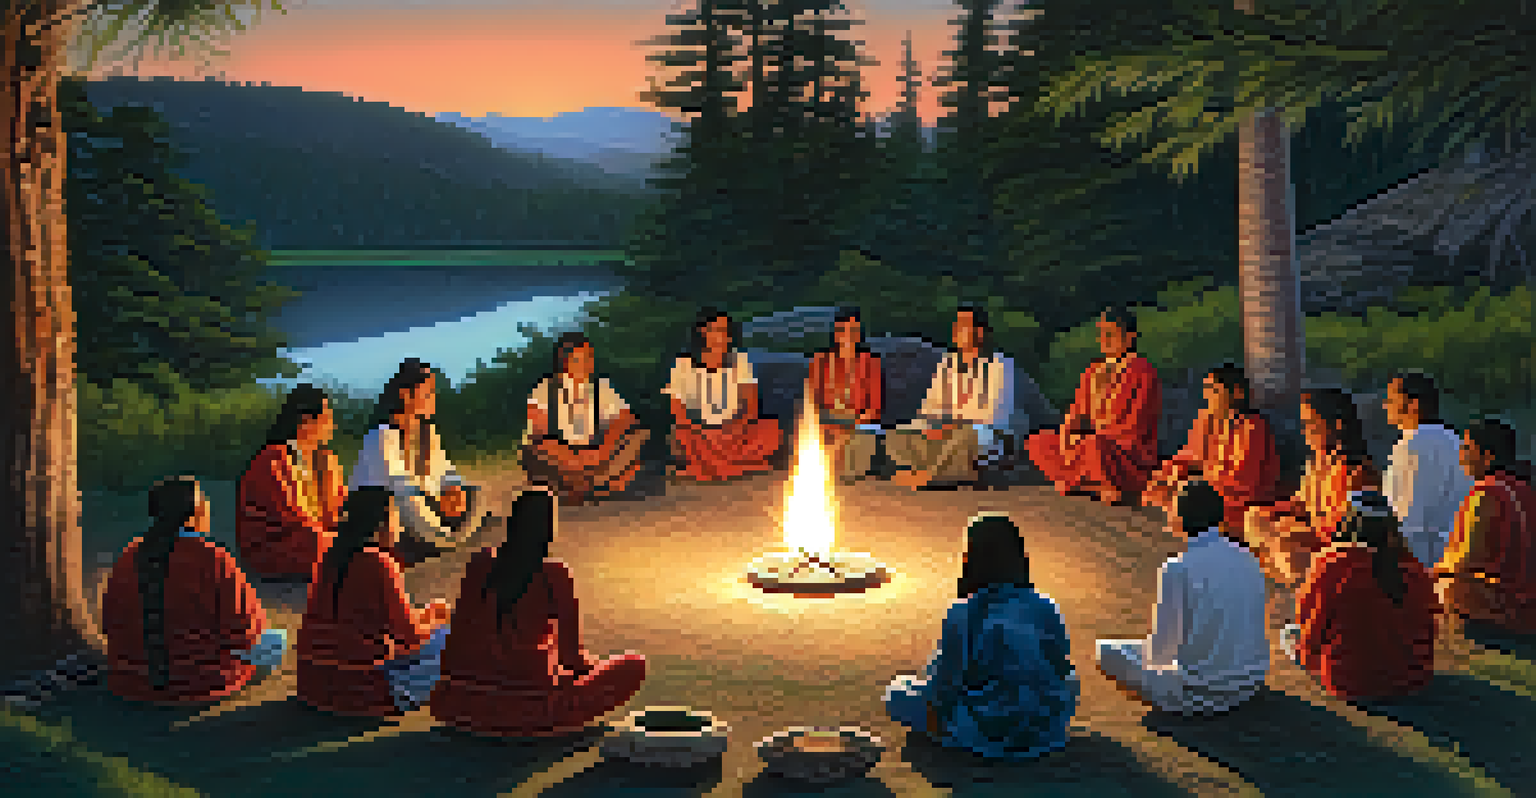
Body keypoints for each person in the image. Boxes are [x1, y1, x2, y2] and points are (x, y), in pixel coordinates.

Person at [432, 488, 647, 736]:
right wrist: (594, 668)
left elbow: (461, 629)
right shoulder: (554, 574)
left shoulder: (480, 564)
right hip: (530, 706)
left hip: (459, 703)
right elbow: (572, 660)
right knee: (633, 664)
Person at [884, 513, 1078, 760]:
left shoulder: (963, 612)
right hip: (1047, 730)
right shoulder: (1044, 605)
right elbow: (1062, 667)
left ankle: (964, 734)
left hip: (985, 730)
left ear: (970, 560)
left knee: (898, 692)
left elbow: (944, 688)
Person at [103, 476, 287, 704]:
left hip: (129, 679)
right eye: (205, 504)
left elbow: (108, 622)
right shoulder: (214, 559)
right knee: (276, 641)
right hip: (199, 681)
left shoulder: (128, 556)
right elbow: (245, 632)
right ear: (194, 514)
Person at [1097, 480, 1269, 715]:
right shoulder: (1248, 556)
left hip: (1200, 689)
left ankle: (1173, 703)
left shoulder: (1178, 568)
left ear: (1179, 519)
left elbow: (1161, 653)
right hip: (1252, 680)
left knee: (1107, 652)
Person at [296, 486, 453, 716]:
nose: (399, 528)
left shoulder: (329, 557)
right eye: (396, 519)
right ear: (380, 524)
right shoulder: (379, 563)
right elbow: (410, 638)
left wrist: (425, 616)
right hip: (365, 688)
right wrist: (435, 618)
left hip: (313, 684)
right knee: (451, 640)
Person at [1283, 491, 1438, 701]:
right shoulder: (1414, 567)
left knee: (1289, 634)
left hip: (1351, 682)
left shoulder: (1330, 564)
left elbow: (1312, 634)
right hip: (1413, 677)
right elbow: (1430, 628)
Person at [350, 358, 489, 567]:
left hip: (425, 505)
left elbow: (445, 471)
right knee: (402, 507)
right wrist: (434, 507)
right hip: (395, 515)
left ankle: (441, 539)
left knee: (473, 493)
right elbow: (399, 488)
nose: (433, 399)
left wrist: (454, 489)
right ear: (406, 395)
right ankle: (442, 540)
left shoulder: (428, 433)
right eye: (428, 393)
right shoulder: (381, 435)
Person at [1243, 388, 1380, 586]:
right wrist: (1270, 512)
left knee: (1284, 541)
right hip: (1311, 538)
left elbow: (1346, 534)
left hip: (1338, 550)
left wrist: (1297, 533)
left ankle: (1295, 575)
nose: (1306, 432)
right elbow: (1301, 503)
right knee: (1255, 518)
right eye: (1305, 425)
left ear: (1337, 426)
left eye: (1311, 425)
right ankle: (1281, 570)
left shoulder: (1358, 472)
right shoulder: (1316, 463)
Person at [1026, 306, 1162, 505]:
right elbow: (1077, 410)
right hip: (1085, 443)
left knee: (1094, 446)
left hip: (1121, 452)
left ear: (1129, 337)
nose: (1104, 340)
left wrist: (1092, 432)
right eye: (1101, 334)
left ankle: (1096, 483)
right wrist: (1069, 432)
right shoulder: (1093, 370)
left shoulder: (1142, 371)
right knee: (1037, 442)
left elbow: (1135, 425)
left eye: (1111, 334)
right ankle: (1089, 482)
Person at [887, 307, 1015, 490]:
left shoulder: (1000, 365)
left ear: (979, 332)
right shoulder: (948, 363)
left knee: (967, 435)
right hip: (944, 434)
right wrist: (932, 425)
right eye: (956, 325)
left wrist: (950, 425)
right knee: (897, 434)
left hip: (978, 434)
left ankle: (931, 476)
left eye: (963, 325)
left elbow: (993, 416)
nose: (956, 330)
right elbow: (930, 407)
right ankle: (950, 471)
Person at [1143, 364, 1281, 531]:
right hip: (1205, 483)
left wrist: (1200, 477)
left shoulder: (1252, 428)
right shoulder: (1205, 419)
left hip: (1234, 497)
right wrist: (1172, 472)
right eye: (1206, 389)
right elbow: (1188, 455)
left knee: (1187, 498)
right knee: (1160, 485)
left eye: (1214, 390)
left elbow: (1243, 481)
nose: (1207, 396)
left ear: (1236, 393)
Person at [521, 333, 652, 506]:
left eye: (588, 358)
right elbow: (539, 432)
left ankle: (582, 486)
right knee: (540, 450)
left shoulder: (601, 387)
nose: (586, 365)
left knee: (639, 436)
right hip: (562, 455)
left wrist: (602, 451)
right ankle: (598, 484)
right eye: (579, 359)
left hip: (598, 453)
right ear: (564, 361)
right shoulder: (545, 388)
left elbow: (625, 420)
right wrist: (573, 457)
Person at [1433, 419, 1536, 634]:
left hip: (1503, 604)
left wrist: (1437, 569)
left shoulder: (1486, 493)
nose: (1461, 455)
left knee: (1445, 587)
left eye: (1467, 448)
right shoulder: (1526, 491)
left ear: (1487, 456)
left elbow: (1467, 559)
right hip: (1527, 602)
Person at [237, 383, 348, 580]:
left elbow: (340, 508)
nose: (332, 426)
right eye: (327, 419)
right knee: (325, 543)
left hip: (315, 537)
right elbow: (293, 518)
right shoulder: (273, 458)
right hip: (277, 545)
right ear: (306, 421)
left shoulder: (326, 461)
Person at [664, 308, 783, 481]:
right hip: (699, 432)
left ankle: (708, 466)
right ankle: (734, 465)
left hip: (735, 431)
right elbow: (677, 410)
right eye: (716, 330)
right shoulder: (683, 364)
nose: (722, 336)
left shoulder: (739, 360)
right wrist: (700, 429)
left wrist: (736, 427)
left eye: (725, 331)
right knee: (682, 436)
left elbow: (751, 405)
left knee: (770, 430)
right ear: (703, 332)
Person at [1382, 372, 1474, 568]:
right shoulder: (1456, 442)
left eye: (1391, 399)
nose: (1385, 406)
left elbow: (1405, 515)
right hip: (1458, 555)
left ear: (1413, 404)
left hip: (1422, 559)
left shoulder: (1410, 446)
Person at [805, 307, 884, 483]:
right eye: (843, 330)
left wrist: (851, 427)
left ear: (860, 334)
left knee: (867, 438)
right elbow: (811, 403)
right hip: (827, 423)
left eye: (853, 331)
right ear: (835, 333)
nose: (848, 336)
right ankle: (830, 463)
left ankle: (839, 466)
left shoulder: (870, 362)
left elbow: (874, 409)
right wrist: (830, 426)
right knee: (812, 435)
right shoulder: (820, 360)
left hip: (857, 424)